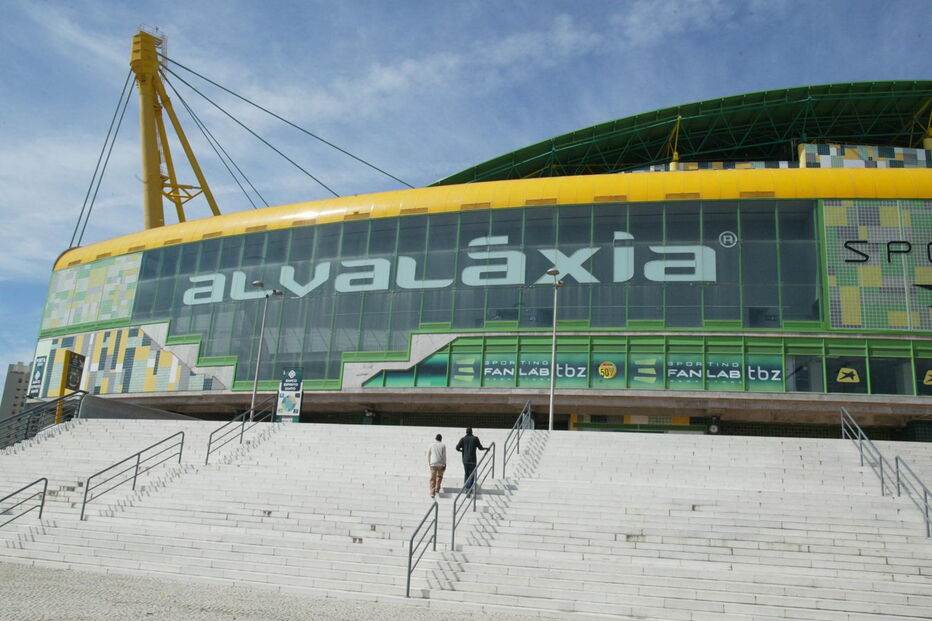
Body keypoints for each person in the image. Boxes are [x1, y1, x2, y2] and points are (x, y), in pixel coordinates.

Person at [455, 427, 489, 495]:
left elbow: (457, 448)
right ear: (472, 432)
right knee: (472, 474)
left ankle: (466, 489)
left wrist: (462, 451)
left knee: (466, 474)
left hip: (465, 460)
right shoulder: (475, 439)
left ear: (466, 432)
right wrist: (486, 448)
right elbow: (480, 448)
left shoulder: (463, 439)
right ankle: (469, 489)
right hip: (472, 460)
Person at [427, 433, 446, 499]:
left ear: (436, 438)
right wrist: (444, 464)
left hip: (433, 463)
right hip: (440, 463)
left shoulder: (431, 445)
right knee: (439, 476)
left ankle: (432, 492)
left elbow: (428, 454)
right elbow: (444, 456)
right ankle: (437, 489)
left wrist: (429, 463)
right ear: (441, 439)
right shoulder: (443, 445)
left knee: (433, 478)